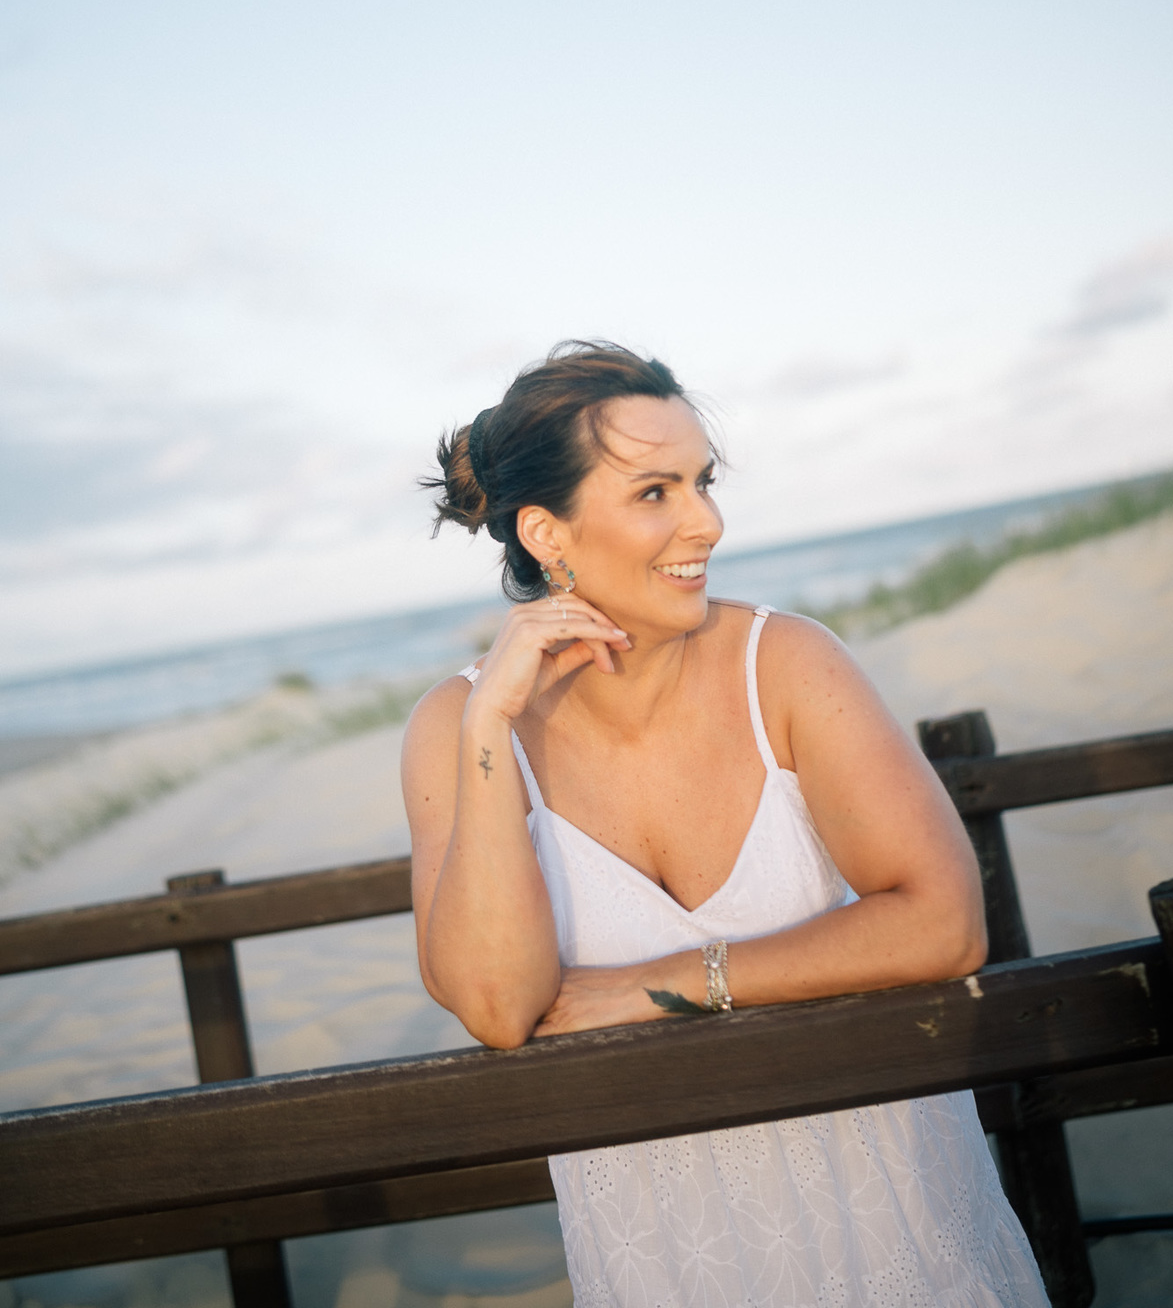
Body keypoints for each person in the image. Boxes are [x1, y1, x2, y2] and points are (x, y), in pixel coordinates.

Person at [402, 340, 1049, 1307]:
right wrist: (492, 721)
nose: (706, 520)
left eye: (701, 482)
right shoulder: (457, 727)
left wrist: (657, 985)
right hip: (664, 1247)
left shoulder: (785, 665)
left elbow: (943, 921)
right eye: (654, 492)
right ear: (547, 531)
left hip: (893, 1213)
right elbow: (497, 1009)